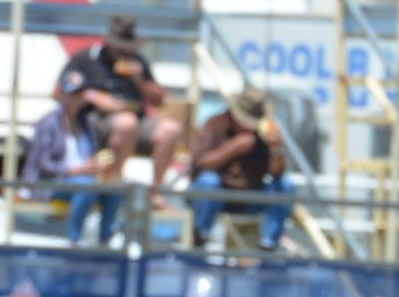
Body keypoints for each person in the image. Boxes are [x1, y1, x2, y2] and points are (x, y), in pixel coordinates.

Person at [55, 15, 181, 209]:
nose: (124, 51)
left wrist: (139, 80)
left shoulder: (137, 61)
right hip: (94, 121)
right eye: (120, 46)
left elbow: (158, 100)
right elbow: (58, 93)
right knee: (126, 122)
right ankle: (112, 187)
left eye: (127, 46)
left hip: (134, 120)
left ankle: (154, 192)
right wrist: (93, 96)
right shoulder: (85, 59)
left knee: (170, 129)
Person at [21, 70, 122, 246]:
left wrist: (96, 166)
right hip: (50, 182)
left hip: (80, 181)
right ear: (62, 95)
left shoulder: (87, 124)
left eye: (79, 94)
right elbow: (42, 164)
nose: (76, 98)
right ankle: (74, 239)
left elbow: (89, 157)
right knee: (86, 186)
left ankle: (104, 240)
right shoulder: (48, 122)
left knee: (114, 190)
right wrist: (76, 170)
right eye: (72, 94)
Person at [187, 86, 292, 251]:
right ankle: (201, 237)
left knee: (285, 185)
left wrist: (275, 149)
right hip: (217, 195)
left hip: (250, 195)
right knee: (209, 181)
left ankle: (269, 244)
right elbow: (200, 164)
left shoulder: (263, 133)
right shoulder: (214, 125)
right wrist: (231, 149)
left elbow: (276, 173)